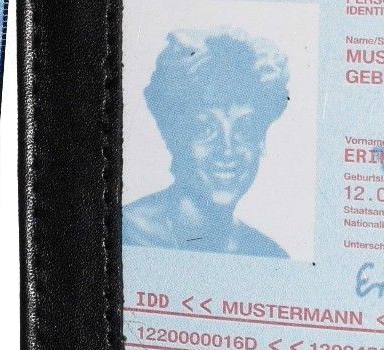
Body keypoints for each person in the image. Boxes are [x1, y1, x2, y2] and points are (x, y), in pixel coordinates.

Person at [124, 28, 290, 257]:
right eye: (206, 129)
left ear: (261, 139)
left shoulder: (268, 254)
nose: (227, 150)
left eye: (244, 129)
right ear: (174, 135)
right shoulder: (127, 235)